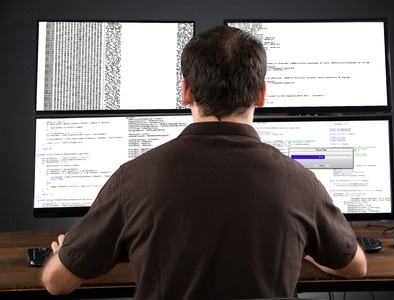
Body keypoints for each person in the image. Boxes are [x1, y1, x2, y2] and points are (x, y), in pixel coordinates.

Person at [41, 25, 367, 299]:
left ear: (185, 92)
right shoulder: (301, 183)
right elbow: (355, 267)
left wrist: (65, 254)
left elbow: (56, 283)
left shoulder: (133, 179)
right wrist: (307, 250)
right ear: (261, 95)